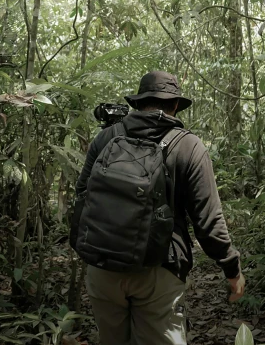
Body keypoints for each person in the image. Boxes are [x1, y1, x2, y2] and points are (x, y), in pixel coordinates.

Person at [72, 71, 244, 345]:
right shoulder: (188, 146)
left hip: (103, 268)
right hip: (159, 270)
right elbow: (208, 221)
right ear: (175, 105)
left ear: (139, 103)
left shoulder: (106, 138)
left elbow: (82, 196)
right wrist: (231, 269)